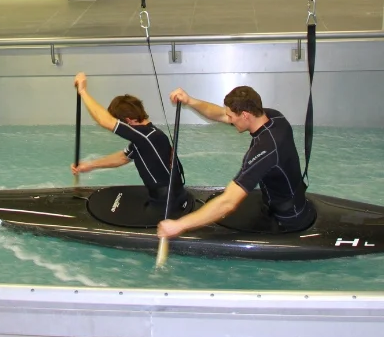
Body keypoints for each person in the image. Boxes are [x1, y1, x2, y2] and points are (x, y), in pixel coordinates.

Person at [158, 84, 316, 240]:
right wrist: (190, 100)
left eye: (232, 117)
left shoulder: (265, 149)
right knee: (215, 201)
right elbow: (220, 114)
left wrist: (179, 225)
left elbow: (228, 203)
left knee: (221, 204)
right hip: (289, 200)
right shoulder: (274, 117)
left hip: (287, 218)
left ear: (245, 115)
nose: (229, 120)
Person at [72, 72, 190, 217]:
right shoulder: (150, 135)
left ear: (128, 120)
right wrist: (89, 166)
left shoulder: (145, 136)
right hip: (175, 197)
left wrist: (83, 91)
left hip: (165, 207)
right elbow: (123, 157)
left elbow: (105, 121)